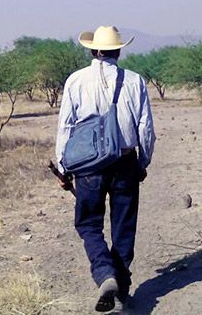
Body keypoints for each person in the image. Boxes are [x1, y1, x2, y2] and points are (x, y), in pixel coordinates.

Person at [55, 25, 156, 312]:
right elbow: (145, 128)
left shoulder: (75, 81)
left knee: (88, 224)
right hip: (125, 162)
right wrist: (142, 162)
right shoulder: (135, 81)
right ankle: (121, 288)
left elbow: (65, 127)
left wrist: (64, 168)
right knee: (124, 227)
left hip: (88, 167)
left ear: (93, 50)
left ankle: (104, 274)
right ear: (118, 50)